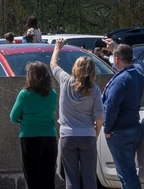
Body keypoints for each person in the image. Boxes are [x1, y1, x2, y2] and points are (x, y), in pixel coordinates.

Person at [51, 39, 103, 189]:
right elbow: (99, 117)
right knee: (89, 178)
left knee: (71, 178)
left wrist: (57, 48)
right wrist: (95, 134)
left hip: (67, 135)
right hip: (88, 135)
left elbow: (53, 65)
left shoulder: (65, 81)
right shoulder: (95, 90)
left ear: (75, 68)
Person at [10, 61, 58, 189]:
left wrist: (24, 120)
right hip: (49, 138)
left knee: (32, 177)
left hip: (29, 138)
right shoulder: (53, 94)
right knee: (48, 177)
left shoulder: (24, 94)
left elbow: (13, 117)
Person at [102, 43, 144, 189]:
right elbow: (136, 61)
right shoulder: (137, 73)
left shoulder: (121, 80)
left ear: (117, 60)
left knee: (127, 175)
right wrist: (115, 48)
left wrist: (106, 129)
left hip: (120, 132)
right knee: (128, 172)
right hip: (133, 129)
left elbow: (111, 107)